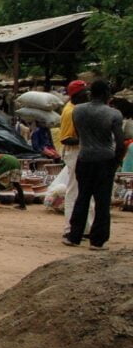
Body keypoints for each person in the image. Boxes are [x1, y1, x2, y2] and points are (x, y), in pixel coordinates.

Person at [65, 80, 124, 249]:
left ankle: (74, 236)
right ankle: (97, 241)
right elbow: (120, 143)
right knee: (102, 202)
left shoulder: (78, 111)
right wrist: (116, 162)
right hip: (105, 159)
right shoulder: (114, 114)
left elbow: (79, 134)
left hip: (84, 158)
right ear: (106, 94)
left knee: (82, 197)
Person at [59, 80, 91, 240]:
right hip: (74, 152)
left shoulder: (80, 109)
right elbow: (65, 139)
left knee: (85, 190)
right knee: (74, 190)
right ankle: (70, 227)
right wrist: (87, 140)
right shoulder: (69, 112)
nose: (88, 95)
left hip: (83, 151)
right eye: (85, 93)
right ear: (77, 95)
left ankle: (85, 227)